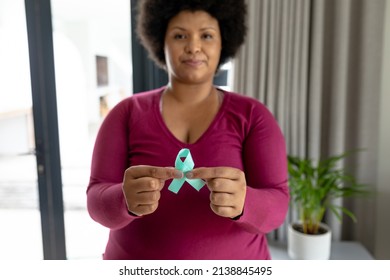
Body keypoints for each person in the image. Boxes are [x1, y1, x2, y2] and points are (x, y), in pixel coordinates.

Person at [87, 0, 289, 260]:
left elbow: (278, 204)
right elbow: (96, 198)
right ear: (161, 40)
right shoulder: (124, 114)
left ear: (223, 42)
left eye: (206, 35)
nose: (194, 47)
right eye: (180, 35)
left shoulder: (253, 116)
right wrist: (123, 199)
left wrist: (245, 202)